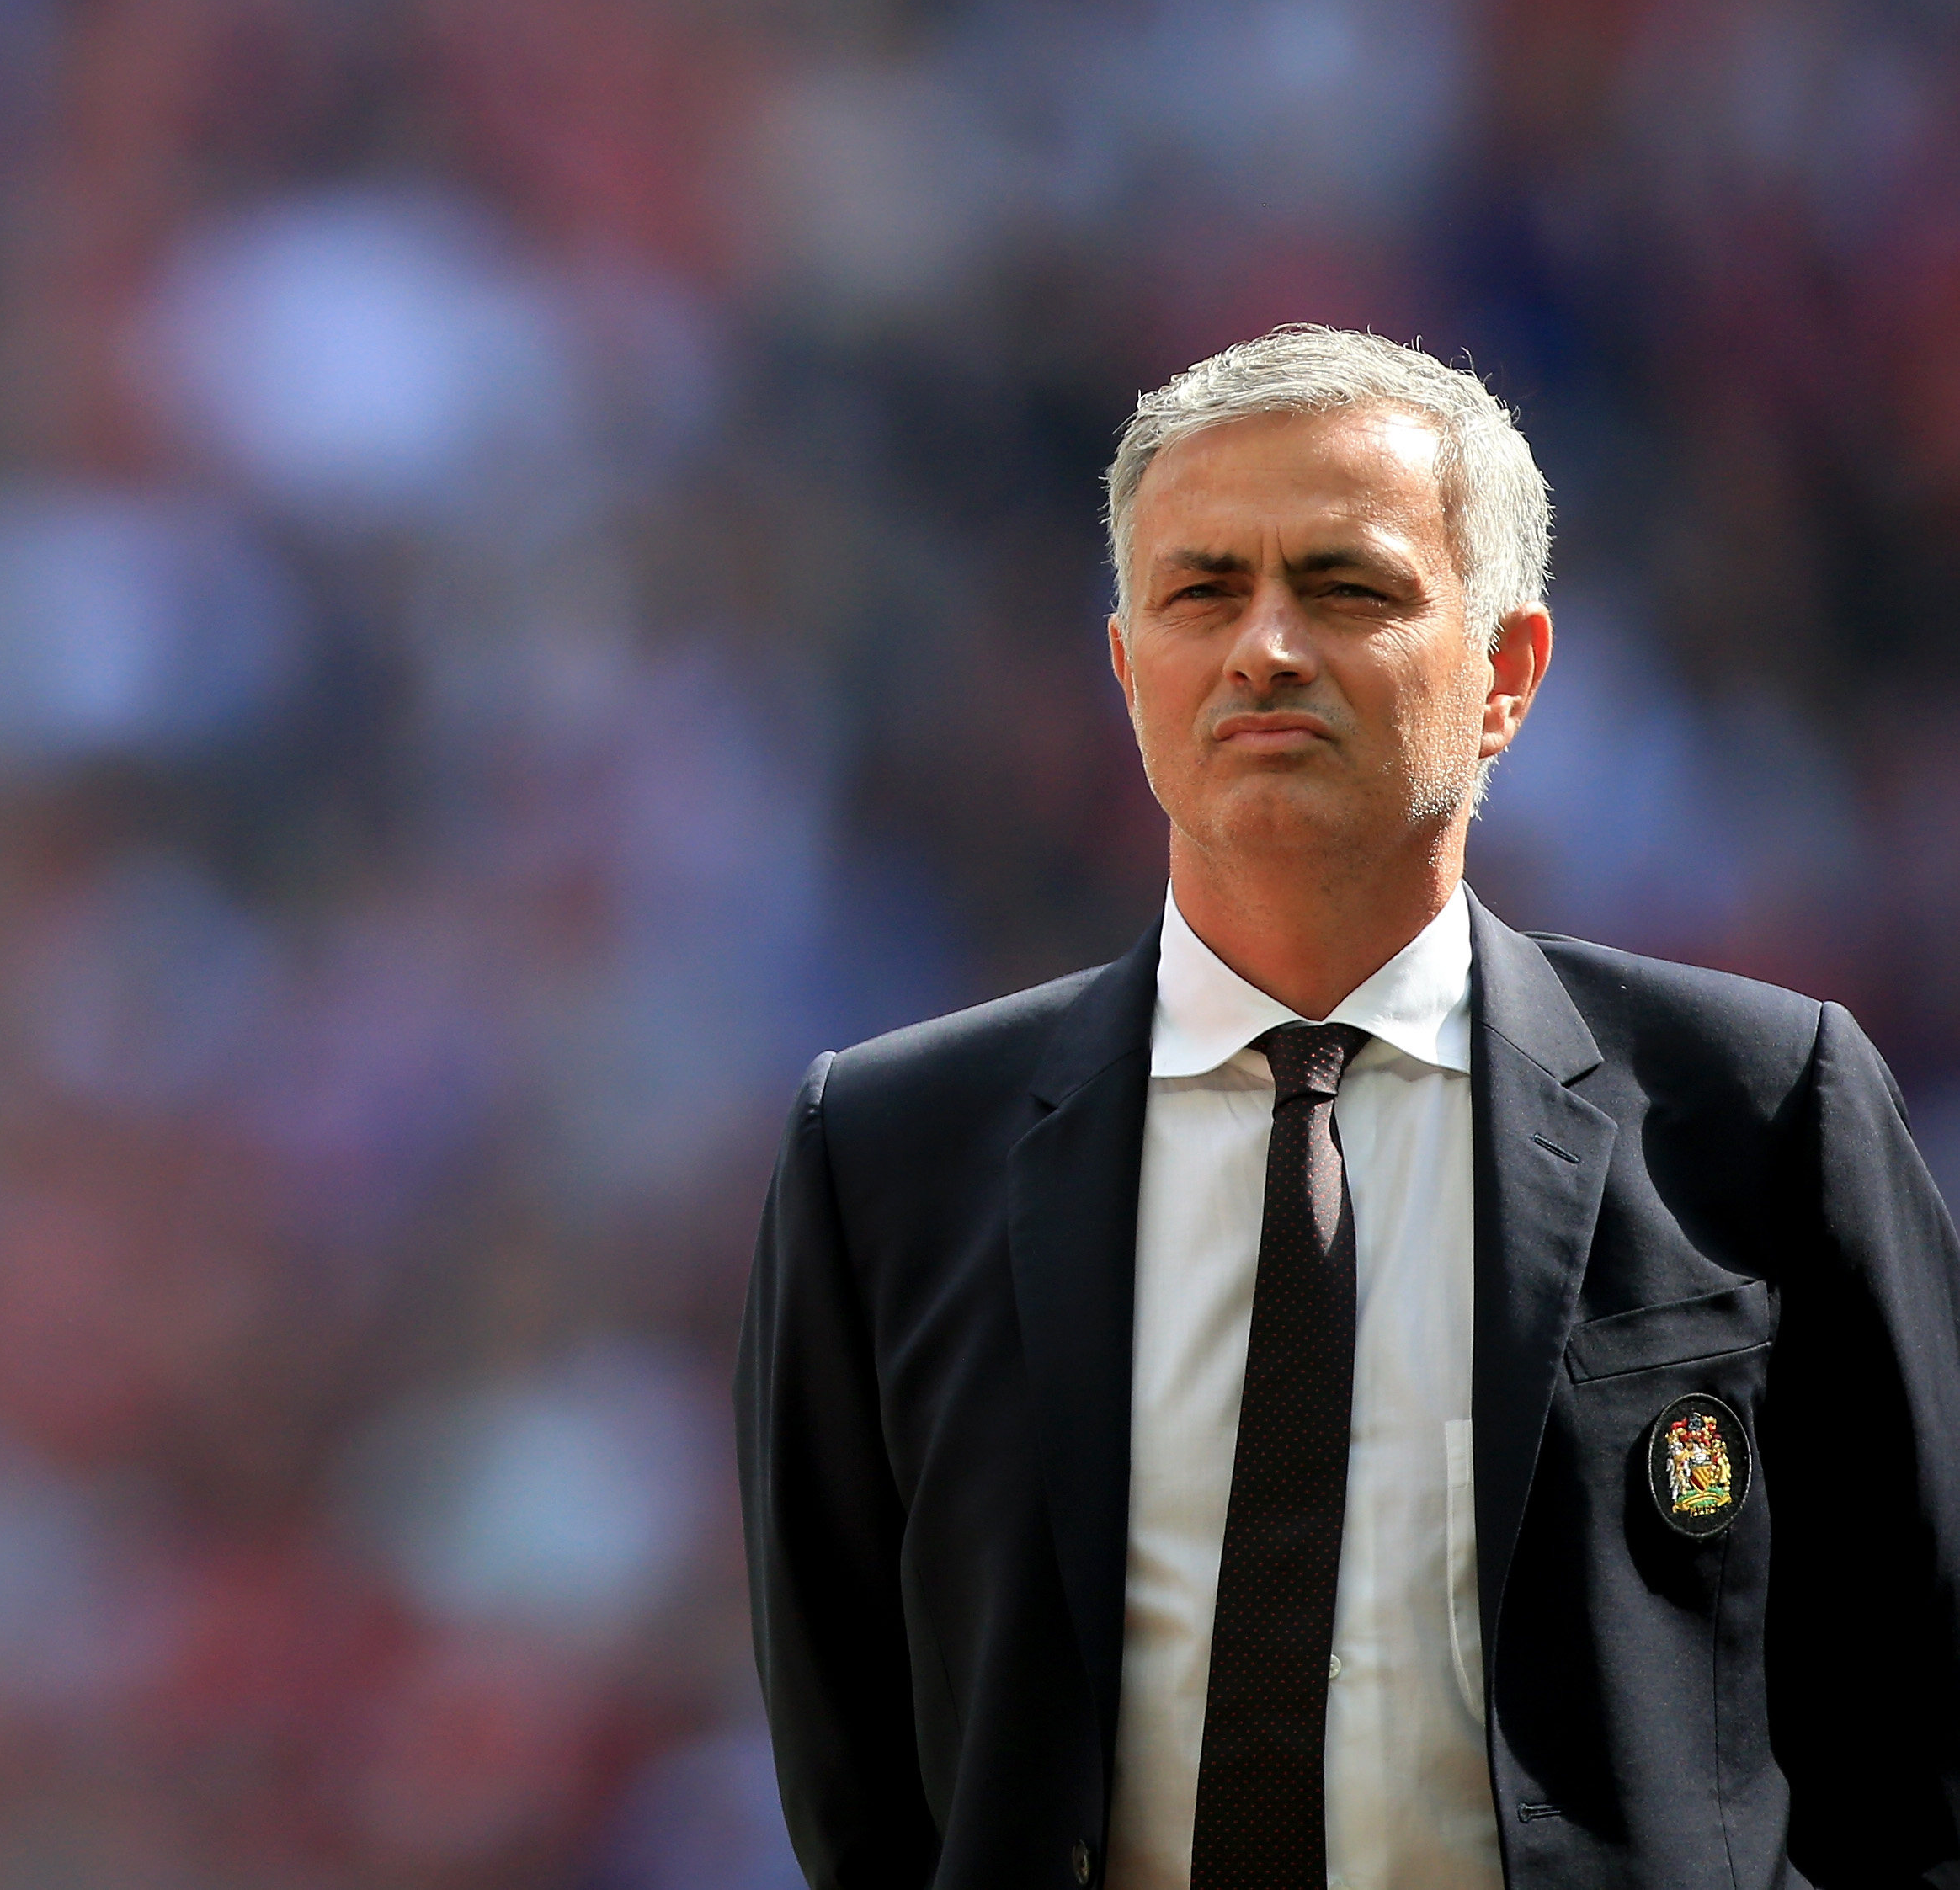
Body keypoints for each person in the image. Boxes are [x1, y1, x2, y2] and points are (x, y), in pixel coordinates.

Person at [737, 325, 1960, 1890]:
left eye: (1345, 585)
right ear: (1126, 670)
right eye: (1200, 591)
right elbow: (859, 1791)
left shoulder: (1754, 1108)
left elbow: (1920, 1747)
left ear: (1505, 673)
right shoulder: (886, 1155)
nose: (1262, 646)